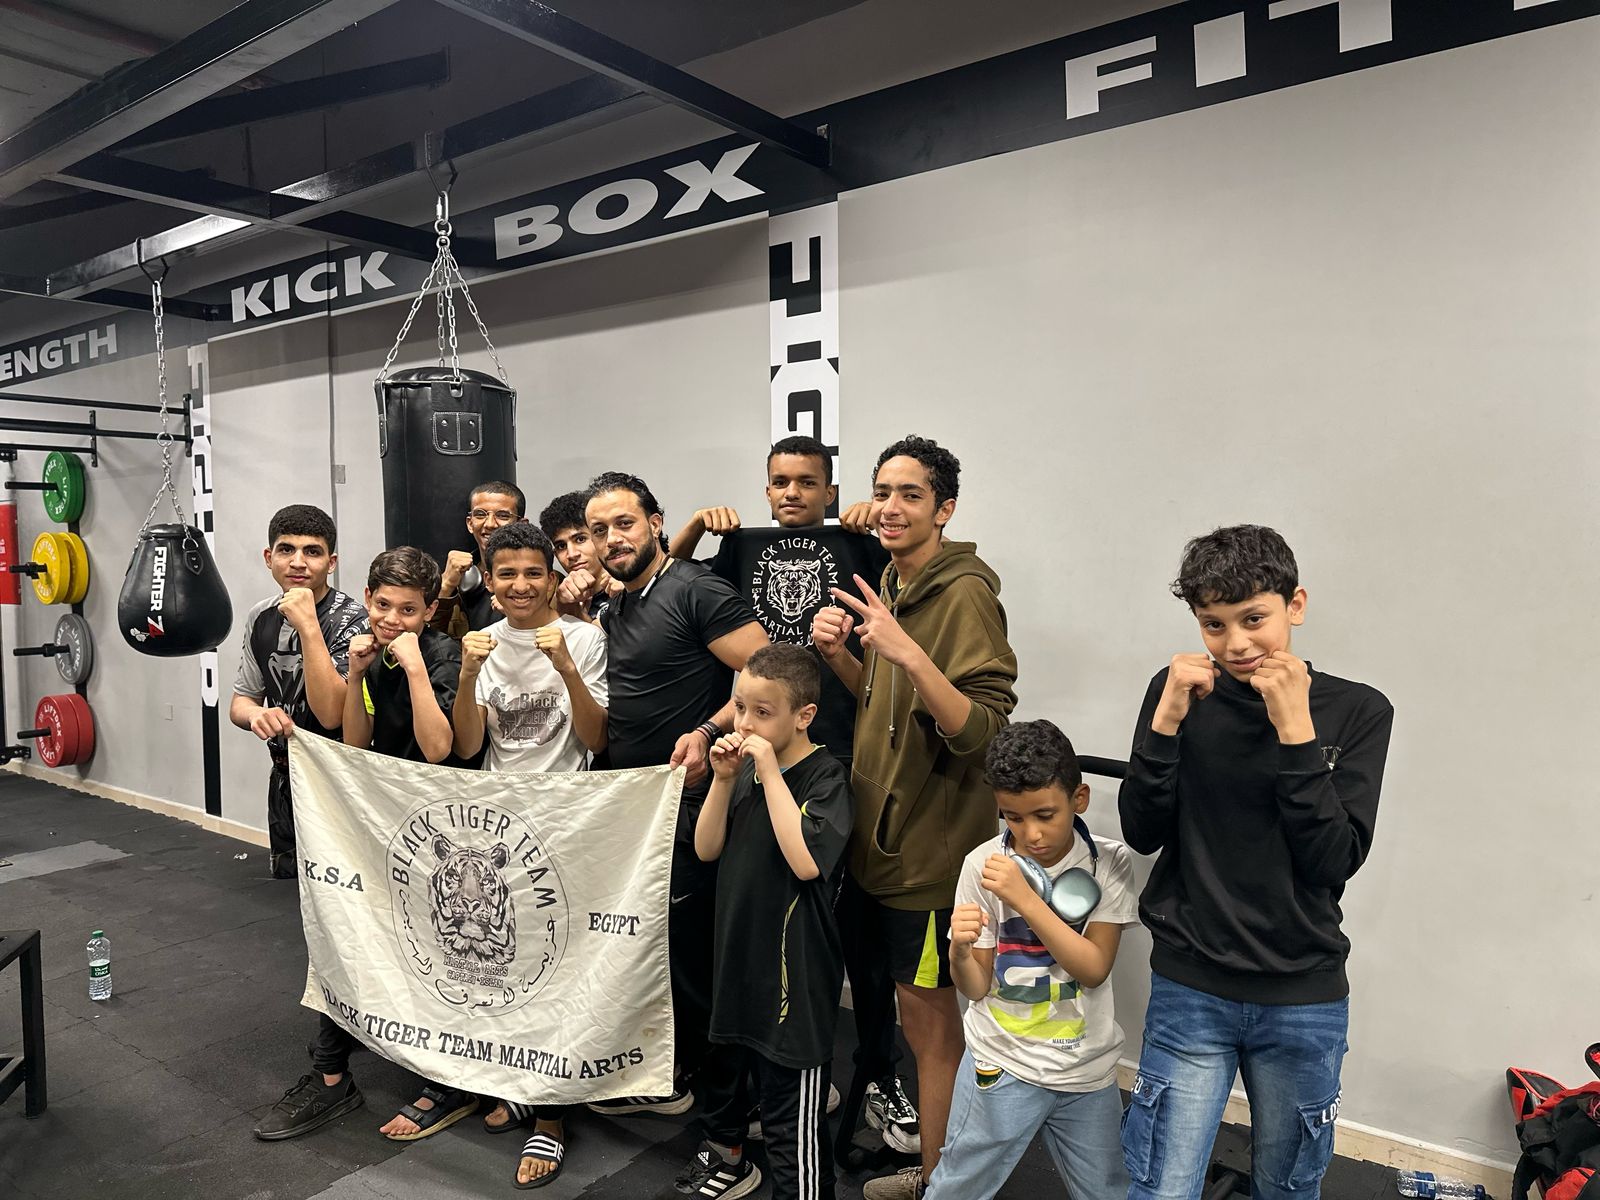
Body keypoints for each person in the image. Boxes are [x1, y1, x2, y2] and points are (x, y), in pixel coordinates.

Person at [1117, 525, 1394, 1200]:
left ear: (1295, 605)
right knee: (1162, 1188)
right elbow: (1142, 832)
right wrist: (1165, 721)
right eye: (1213, 624)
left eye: (1253, 619)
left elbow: (1333, 860)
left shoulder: (1358, 710)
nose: (1236, 643)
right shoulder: (1178, 691)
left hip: (1302, 992)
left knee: (1287, 1189)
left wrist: (1295, 729)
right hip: (1191, 983)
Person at [672, 434, 919, 1152]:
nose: (792, 493)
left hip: (842, 758)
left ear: (830, 491)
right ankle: (773, 1075)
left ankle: (878, 1071)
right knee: (766, 922)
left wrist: (876, 521)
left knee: (858, 937)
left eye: (808, 482)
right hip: (760, 756)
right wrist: (694, 527)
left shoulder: (860, 541)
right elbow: (666, 581)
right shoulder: (737, 549)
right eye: (780, 481)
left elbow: (906, 572)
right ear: (766, 487)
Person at [811, 435, 1018, 1200]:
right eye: (882, 492)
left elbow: (984, 732)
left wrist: (909, 655)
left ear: (945, 509)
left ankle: (942, 1185)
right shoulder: (896, 583)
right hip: (881, 848)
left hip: (931, 859)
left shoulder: (963, 593)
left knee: (933, 1034)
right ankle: (938, 1170)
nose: (891, 507)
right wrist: (843, 659)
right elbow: (894, 707)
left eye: (911, 494)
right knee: (908, 1022)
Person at [581, 471, 770, 1199]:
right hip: (642, 809)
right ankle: (686, 1083)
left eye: (624, 524)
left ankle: (732, 1135)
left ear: (655, 522)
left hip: (699, 809)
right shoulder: (620, 600)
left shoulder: (696, 590)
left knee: (704, 969)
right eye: (599, 531)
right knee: (670, 959)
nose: (612, 539)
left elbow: (770, 673)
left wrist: (707, 729)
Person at [451, 521, 609, 1186]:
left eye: (533, 573)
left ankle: (552, 1117)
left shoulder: (585, 638)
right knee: (507, 965)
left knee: (559, 971)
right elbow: (467, 747)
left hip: (565, 822)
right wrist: (468, 673)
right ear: (489, 581)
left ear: (552, 578)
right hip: (499, 830)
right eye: (506, 574)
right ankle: (518, 1082)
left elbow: (597, 738)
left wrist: (566, 666)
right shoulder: (483, 642)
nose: (520, 585)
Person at [925, 720, 1137, 1200]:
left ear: (1079, 799)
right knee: (957, 1188)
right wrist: (958, 952)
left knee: (1109, 1191)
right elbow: (976, 987)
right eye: (1013, 818)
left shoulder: (1108, 863)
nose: (1032, 834)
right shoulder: (983, 864)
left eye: (1045, 814)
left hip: (1086, 1070)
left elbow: (1093, 969)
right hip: (1003, 1064)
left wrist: (1025, 899)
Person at [694, 644, 855, 1200]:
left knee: (793, 1132)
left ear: (804, 715)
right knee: (740, 1084)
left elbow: (806, 861)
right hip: (741, 965)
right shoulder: (742, 770)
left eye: (763, 713)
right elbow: (707, 848)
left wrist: (768, 771)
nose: (744, 724)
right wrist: (722, 780)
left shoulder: (826, 777)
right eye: (740, 707)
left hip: (796, 984)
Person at [342, 545, 478, 1141]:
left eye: (408, 610)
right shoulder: (371, 655)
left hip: (449, 828)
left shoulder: (443, 654)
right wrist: (354, 674)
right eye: (382, 606)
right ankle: (427, 1060)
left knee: (450, 952)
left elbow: (439, 748)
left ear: (428, 611)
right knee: (406, 946)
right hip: (396, 821)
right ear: (367, 600)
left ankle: (449, 1086)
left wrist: (417, 666)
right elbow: (356, 740)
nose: (392, 619)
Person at [231, 504, 366, 881]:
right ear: (268, 557)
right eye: (286, 549)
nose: (298, 562)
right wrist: (257, 715)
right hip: (285, 776)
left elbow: (332, 714)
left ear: (331, 562)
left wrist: (308, 625)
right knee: (287, 890)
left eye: (312, 551)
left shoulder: (352, 620)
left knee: (340, 890)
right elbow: (241, 702)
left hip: (339, 780)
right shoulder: (261, 616)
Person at [430, 479, 526, 636]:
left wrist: (520, 614)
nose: (490, 524)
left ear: (521, 524)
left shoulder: (543, 580)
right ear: (470, 523)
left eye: (502, 515)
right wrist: (446, 585)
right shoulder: (457, 578)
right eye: (480, 514)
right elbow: (426, 638)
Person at [538, 489, 621, 623]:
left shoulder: (627, 586)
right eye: (561, 546)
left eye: (580, 539)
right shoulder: (559, 598)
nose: (571, 554)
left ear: (600, 536)